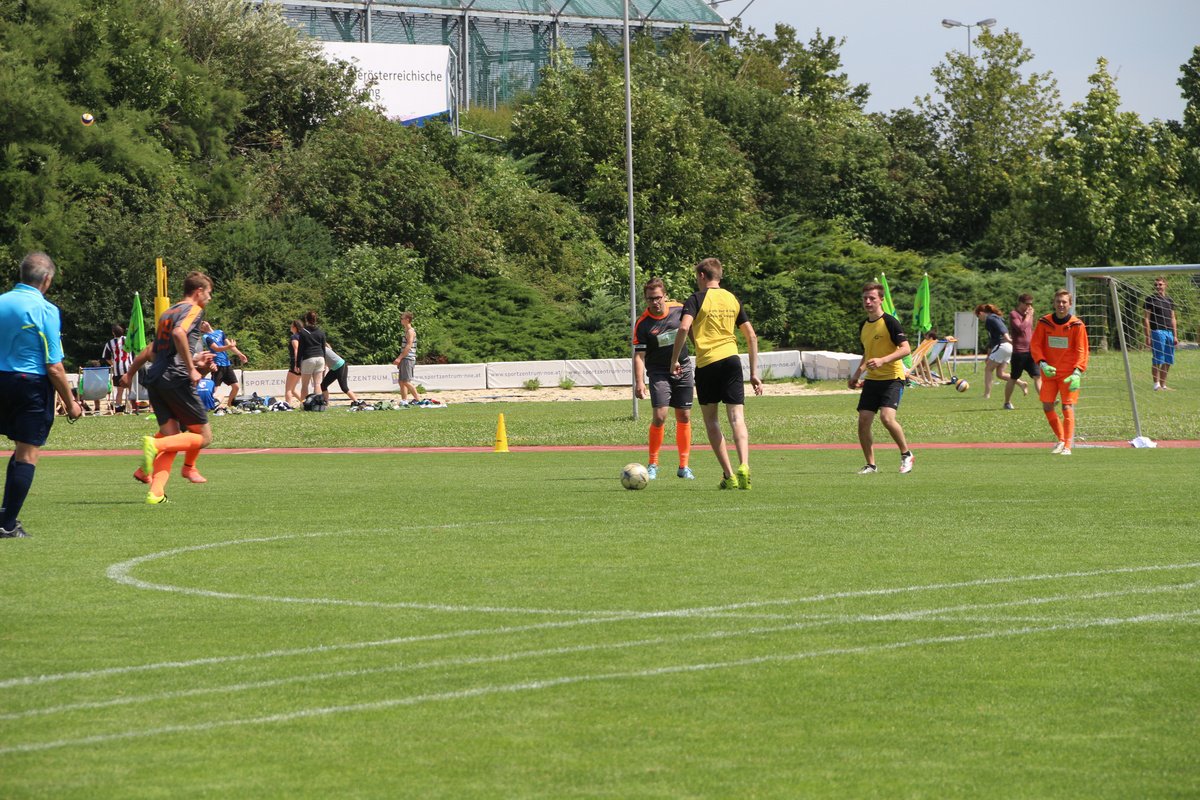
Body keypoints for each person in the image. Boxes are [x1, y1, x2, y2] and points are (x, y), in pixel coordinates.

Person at [0, 252, 83, 537]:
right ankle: (7, 525)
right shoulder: (45, 310)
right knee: (28, 453)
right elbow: (54, 366)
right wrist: (71, 403)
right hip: (29, 384)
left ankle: (5, 515)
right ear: (47, 279)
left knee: (19, 450)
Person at [121, 271, 217, 502]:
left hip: (155, 378)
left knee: (172, 437)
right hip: (176, 378)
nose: (210, 298)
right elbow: (178, 332)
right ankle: (157, 446)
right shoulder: (193, 309)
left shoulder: (167, 313)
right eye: (209, 293)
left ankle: (156, 492)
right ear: (199, 291)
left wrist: (130, 373)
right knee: (203, 437)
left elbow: (153, 351)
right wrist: (191, 368)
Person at [668, 257, 762, 490]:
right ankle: (744, 465)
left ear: (702, 275)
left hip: (708, 363)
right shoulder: (732, 299)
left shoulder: (696, 299)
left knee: (712, 421)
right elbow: (751, 336)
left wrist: (674, 360)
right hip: (732, 360)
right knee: (737, 418)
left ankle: (729, 475)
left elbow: (684, 327)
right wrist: (754, 373)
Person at [849, 282, 915, 475]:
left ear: (881, 300)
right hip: (872, 380)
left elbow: (906, 349)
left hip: (893, 378)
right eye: (865, 298)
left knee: (887, 418)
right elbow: (868, 353)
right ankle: (871, 465)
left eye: (872, 298)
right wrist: (857, 374)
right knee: (863, 421)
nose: (868, 302)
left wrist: (883, 360)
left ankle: (906, 454)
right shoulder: (863, 325)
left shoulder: (890, 322)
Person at [633, 277, 694, 480]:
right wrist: (639, 382)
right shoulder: (643, 323)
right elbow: (639, 356)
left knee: (684, 416)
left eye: (658, 297)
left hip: (683, 368)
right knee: (660, 416)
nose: (655, 302)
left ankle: (684, 466)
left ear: (665, 296)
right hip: (658, 372)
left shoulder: (679, 309)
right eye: (650, 299)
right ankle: (653, 464)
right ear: (646, 299)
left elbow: (691, 330)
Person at [1030, 289, 1090, 456]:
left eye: (1064, 302)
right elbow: (1035, 344)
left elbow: (1082, 350)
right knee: (1047, 406)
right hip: (1049, 372)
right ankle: (1061, 439)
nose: (1061, 305)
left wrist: (1078, 372)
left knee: (1067, 406)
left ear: (1070, 304)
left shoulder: (1077, 325)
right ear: (1054, 303)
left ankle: (1068, 446)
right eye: (1058, 301)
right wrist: (1042, 363)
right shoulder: (1044, 322)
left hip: (1069, 374)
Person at [975, 303, 1027, 402]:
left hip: (1002, 346)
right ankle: (1021, 383)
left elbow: (1002, 328)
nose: (979, 319)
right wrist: (989, 355)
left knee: (988, 369)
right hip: (1007, 347)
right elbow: (992, 341)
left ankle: (987, 394)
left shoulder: (991, 318)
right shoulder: (994, 318)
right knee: (1000, 374)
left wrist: (1007, 338)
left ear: (981, 313)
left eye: (978, 316)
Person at [1004, 293, 1041, 410]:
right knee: (1014, 378)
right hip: (1019, 353)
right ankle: (1007, 402)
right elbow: (1021, 328)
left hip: (1031, 351)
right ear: (1020, 303)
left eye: (1031, 304)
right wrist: (1029, 316)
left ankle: (1046, 400)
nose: (1029, 307)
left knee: (1037, 376)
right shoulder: (1014, 314)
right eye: (1027, 304)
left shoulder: (1028, 315)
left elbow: (1030, 330)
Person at [201, 320, 247, 408]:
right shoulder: (206, 336)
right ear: (201, 329)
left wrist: (240, 354)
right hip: (217, 365)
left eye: (204, 321)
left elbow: (231, 346)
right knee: (214, 389)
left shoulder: (220, 332)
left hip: (226, 364)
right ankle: (207, 405)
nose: (204, 323)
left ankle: (229, 404)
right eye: (201, 324)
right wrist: (229, 346)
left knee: (236, 387)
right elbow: (216, 349)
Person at [1144, 276, 1178, 391]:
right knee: (1158, 359)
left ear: (1165, 285)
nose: (1158, 287)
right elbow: (1146, 319)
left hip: (1169, 332)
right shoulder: (1150, 299)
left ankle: (1163, 385)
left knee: (1168, 359)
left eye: (1160, 284)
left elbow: (1173, 318)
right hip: (1157, 331)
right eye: (1156, 285)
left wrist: (1175, 335)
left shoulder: (1169, 300)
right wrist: (1147, 336)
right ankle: (1156, 385)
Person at [320, 343, 364, 408]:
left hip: (340, 366)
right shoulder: (322, 349)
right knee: (323, 385)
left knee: (344, 388)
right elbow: (326, 365)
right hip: (334, 368)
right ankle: (326, 403)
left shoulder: (322, 350)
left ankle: (356, 401)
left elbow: (323, 366)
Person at [102, 323, 133, 413]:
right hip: (129, 368)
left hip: (118, 369)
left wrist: (114, 364)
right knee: (131, 390)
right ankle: (132, 408)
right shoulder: (128, 340)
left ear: (113, 333)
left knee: (120, 391)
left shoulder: (109, 343)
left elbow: (106, 358)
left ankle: (118, 407)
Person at [296, 311, 327, 401]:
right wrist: (325, 361)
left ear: (306, 320)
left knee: (305, 385)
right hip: (320, 358)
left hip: (309, 358)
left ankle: (303, 403)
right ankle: (317, 403)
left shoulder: (303, 332)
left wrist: (298, 364)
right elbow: (323, 348)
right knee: (317, 384)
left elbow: (300, 349)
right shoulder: (321, 332)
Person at [393, 311, 422, 405]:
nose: (401, 320)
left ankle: (418, 399)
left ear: (407, 319)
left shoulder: (410, 331)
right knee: (401, 381)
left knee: (406, 381)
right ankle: (404, 400)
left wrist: (399, 358)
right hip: (405, 358)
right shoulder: (406, 331)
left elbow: (409, 346)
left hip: (408, 358)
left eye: (402, 318)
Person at [284, 320, 303, 406]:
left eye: (291, 326)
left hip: (295, 363)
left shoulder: (294, 337)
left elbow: (296, 349)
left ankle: (287, 405)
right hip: (303, 363)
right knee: (293, 388)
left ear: (295, 327)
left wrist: (296, 363)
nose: (290, 327)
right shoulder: (303, 337)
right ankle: (305, 402)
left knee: (288, 388)